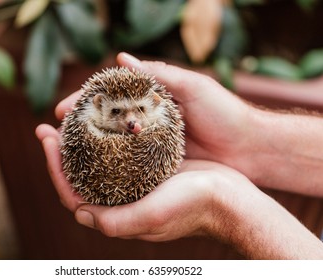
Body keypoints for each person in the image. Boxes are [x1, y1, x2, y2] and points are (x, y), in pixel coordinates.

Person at [35, 52, 323, 259]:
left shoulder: (156, 124)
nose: (131, 121)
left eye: (141, 111)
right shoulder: (89, 120)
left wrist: (224, 209)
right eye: (116, 112)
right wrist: (248, 138)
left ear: (156, 104)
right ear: (97, 107)